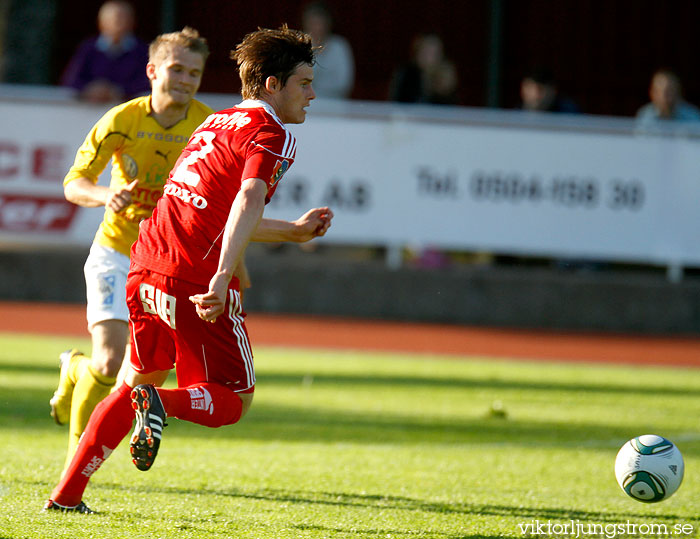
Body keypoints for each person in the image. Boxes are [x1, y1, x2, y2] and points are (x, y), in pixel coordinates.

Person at [44, 24, 333, 514]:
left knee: (137, 379)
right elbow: (246, 197)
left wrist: (292, 232)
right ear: (272, 85)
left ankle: (66, 496)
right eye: (304, 83)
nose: (311, 94)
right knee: (233, 399)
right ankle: (163, 406)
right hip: (194, 277)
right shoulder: (272, 133)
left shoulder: (216, 121)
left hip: (146, 263)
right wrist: (223, 275)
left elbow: (217, 211)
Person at [49, 26, 215, 473]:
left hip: (165, 263)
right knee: (109, 360)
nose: (184, 80)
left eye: (194, 73)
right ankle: (73, 469)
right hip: (116, 251)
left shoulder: (207, 125)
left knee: (135, 374)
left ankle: (74, 370)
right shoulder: (121, 120)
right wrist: (107, 196)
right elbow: (74, 183)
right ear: (152, 70)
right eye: (176, 69)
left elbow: (222, 201)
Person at [60, 1, 150, 103]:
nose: (118, 22)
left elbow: (148, 81)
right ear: (101, 22)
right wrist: (91, 89)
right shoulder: (88, 48)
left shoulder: (142, 50)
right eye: (114, 18)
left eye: (123, 18)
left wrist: (119, 91)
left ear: (133, 21)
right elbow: (71, 79)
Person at [301, 1, 354, 98]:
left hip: (335, 104)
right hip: (306, 104)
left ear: (328, 24)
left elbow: (344, 83)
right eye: (313, 23)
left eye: (319, 23)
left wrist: (316, 83)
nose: (317, 28)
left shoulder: (340, 46)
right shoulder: (299, 46)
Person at [389, 32, 458, 105]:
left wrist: (444, 91)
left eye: (433, 53)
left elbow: (449, 108)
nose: (428, 57)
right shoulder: (406, 73)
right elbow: (397, 101)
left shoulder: (445, 76)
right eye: (425, 51)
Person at [636, 69, 700, 128]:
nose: (666, 96)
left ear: (679, 92)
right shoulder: (644, 116)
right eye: (661, 91)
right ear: (652, 93)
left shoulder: (693, 116)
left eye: (671, 90)